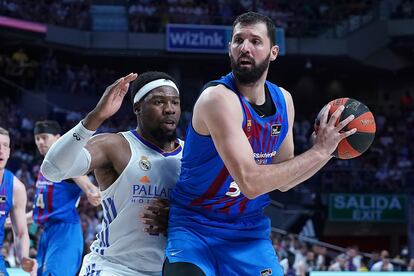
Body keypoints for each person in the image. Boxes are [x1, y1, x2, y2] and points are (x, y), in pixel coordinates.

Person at [163, 11, 356, 276]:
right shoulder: (217, 99)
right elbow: (251, 184)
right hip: (196, 229)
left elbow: (286, 180)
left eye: (255, 41)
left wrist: (327, 152)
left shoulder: (284, 100)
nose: (244, 47)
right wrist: (319, 151)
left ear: (273, 52)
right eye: (238, 40)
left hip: (248, 232)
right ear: (229, 48)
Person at [40, 71, 183, 275]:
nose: (169, 109)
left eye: (175, 102)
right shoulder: (115, 146)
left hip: (167, 270)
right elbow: (52, 170)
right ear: (137, 108)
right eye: (159, 102)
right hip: (113, 267)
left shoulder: (192, 155)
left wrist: (179, 216)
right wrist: (97, 115)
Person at [32, 120, 101, 275]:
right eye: (37, 138)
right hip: (47, 231)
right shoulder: (44, 168)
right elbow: (43, 209)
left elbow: (88, 186)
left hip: (65, 231)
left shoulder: (65, 165)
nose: (40, 142)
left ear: (58, 138)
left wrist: (92, 192)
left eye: (44, 137)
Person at [0, 127, 36, 275]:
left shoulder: (16, 188)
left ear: (9, 152)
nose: (1, 150)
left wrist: (23, 257)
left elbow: (21, 233)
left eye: (5, 146)